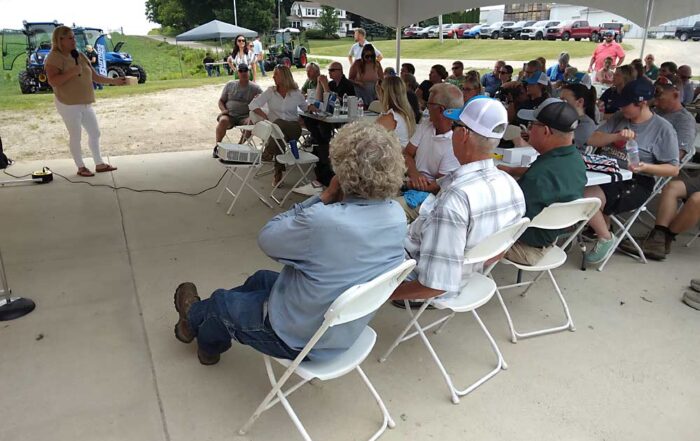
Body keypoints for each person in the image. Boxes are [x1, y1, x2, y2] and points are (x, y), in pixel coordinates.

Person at [172, 121, 407, 365]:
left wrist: (324, 197)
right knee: (260, 279)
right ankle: (203, 321)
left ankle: (202, 335)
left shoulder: (324, 221)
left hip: (299, 339)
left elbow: (268, 238)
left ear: (341, 171)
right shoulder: (396, 215)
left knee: (220, 303)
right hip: (342, 330)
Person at [389, 97, 525, 305]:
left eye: (455, 126)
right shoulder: (511, 185)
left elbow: (436, 285)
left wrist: (385, 294)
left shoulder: (457, 199)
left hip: (419, 272)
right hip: (468, 269)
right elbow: (498, 252)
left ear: (463, 134)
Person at [583, 78, 680, 265]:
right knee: (570, 183)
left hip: (635, 181)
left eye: (626, 105)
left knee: (586, 194)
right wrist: (615, 136)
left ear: (642, 103)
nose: (621, 109)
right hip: (605, 172)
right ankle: (593, 224)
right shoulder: (620, 118)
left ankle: (604, 236)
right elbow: (591, 139)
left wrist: (645, 167)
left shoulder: (663, 129)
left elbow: (673, 169)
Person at [498, 99, 587, 265]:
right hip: (551, 239)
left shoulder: (539, 175)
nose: (529, 130)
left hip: (525, 247)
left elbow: (509, 217)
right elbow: (546, 176)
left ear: (546, 131)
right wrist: (511, 170)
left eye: (532, 125)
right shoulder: (575, 160)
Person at [45, 26, 126, 177]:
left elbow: (94, 76)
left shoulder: (79, 55)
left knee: (95, 132)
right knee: (76, 135)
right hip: (68, 103)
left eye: (73, 37)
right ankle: (81, 167)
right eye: (70, 38)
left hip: (85, 102)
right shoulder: (53, 57)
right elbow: (53, 81)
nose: (73, 40)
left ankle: (99, 164)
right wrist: (72, 72)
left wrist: (114, 81)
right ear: (59, 40)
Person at [399, 83, 463, 220]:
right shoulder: (427, 125)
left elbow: (438, 187)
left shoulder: (455, 142)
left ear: (440, 110)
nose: (425, 107)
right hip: (411, 183)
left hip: (428, 200)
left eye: (429, 104)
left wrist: (407, 184)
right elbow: (407, 153)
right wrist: (415, 175)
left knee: (384, 210)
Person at [294, 62, 356, 196]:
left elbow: (337, 101)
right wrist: (320, 85)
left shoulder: (347, 84)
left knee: (322, 127)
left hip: (344, 119)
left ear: (340, 71)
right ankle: (321, 145)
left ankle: (322, 148)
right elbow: (318, 101)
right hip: (331, 118)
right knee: (310, 119)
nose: (330, 72)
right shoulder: (332, 84)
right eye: (329, 70)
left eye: (333, 70)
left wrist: (325, 85)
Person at [250, 65, 315, 186]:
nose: (273, 76)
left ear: (284, 77)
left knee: (278, 125)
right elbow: (253, 105)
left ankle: (269, 151)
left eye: (276, 74)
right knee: (279, 136)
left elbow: (305, 108)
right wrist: (265, 116)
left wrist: (314, 107)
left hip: (293, 128)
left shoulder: (296, 93)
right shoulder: (270, 92)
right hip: (276, 132)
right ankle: (278, 173)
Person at [214, 64, 262, 156]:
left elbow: (264, 100)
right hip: (229, 115)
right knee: (223, 120)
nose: (243, 73)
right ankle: (217, 146)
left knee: (251, 121)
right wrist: (223, 110)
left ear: (249, 72)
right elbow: (221, 101)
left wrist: (258, 98)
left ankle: (240, 146)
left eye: (246, 70)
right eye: (241, 71)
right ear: (237, 73)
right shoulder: (230, 85)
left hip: (245, 116)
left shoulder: (255, 88)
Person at [654, 75, 697, 159]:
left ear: (675, 95)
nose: (655, 103)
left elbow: (676, 156)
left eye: (660, 98)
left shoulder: (685, 120)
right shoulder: (655, 111)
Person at [375, 75, 417, 149]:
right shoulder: (406, 114)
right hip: (401, 156)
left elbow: (369, 139)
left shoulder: (391, 118)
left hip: (394, 157)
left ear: (383, 93)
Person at [560, 81, 598, 151]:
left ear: (580, 102)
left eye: (564, 101)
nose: (559, 104)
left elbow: (562, 146)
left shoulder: (586, 124)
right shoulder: (567, 119)